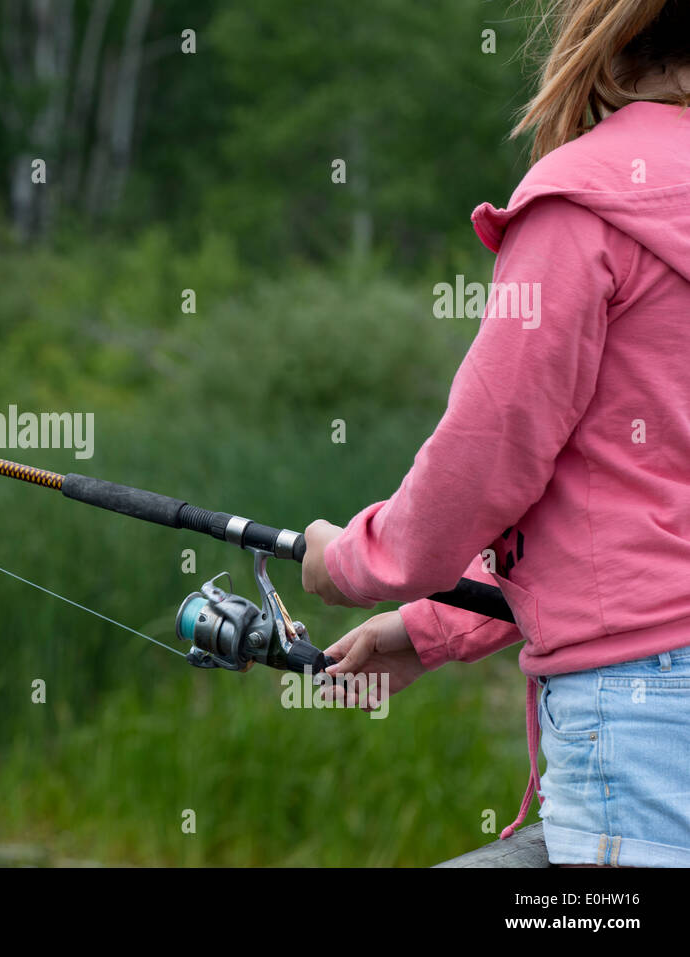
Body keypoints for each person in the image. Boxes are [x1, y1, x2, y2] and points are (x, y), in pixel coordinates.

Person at [297, 0, 690, 867]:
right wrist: (431, 627)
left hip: (640, 716)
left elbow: (487, 461)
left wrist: (351, 562)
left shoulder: (581, 206)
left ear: (610, 43)